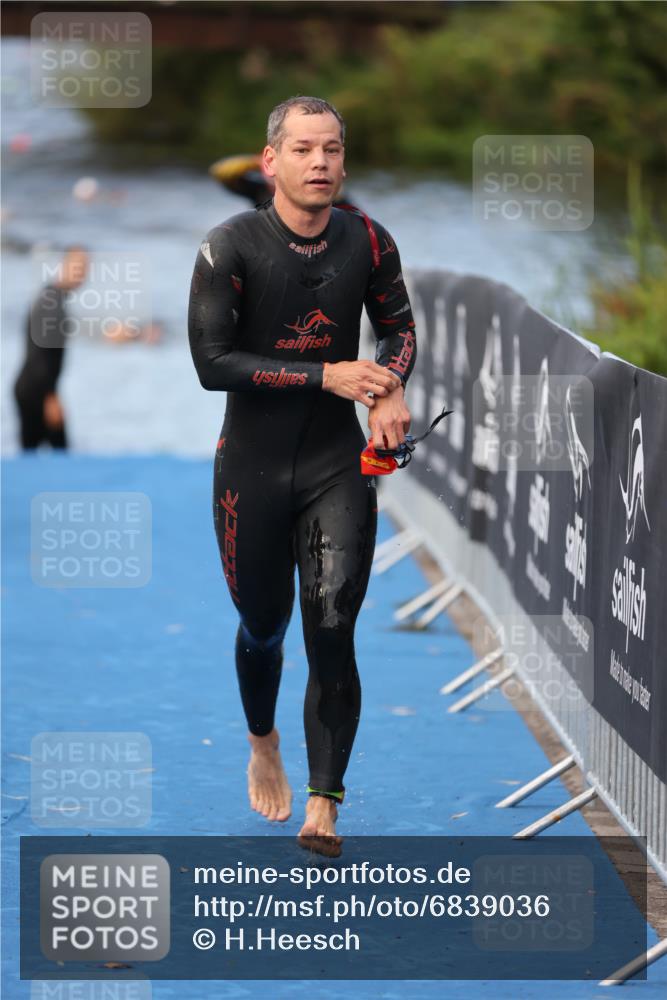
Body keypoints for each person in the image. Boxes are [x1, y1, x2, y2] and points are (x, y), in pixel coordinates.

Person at [188, 96, 416, 856]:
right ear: (271, 161)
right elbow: (212, 363)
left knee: (332, 627)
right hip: (248, 470)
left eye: (331, 150)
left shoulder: (369, 239)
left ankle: (325, 803)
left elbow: (399, 328)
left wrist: (388, 385)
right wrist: (327, 374)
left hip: (333, 466)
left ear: (343, 161)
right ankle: (263, 742)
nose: (319, 162)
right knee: (264, 628)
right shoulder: (228, 247)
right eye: (302, 149)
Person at [13, 246, 89, 450]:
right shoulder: (51, 303)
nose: (82, 273)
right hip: (34, 389)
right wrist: (50, 396)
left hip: (34, 387)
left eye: (85, 268)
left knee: (44, 453)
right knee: (53, 453)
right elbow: (40, 355)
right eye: (77, 266)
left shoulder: (53, 298)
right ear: (64, 266)